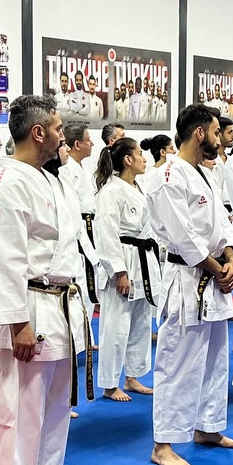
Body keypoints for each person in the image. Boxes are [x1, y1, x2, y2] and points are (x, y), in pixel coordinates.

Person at [0, 94, 91, 465]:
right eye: (59, 127)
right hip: (29, 305)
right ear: (38, 132)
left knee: (53, 405)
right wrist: (18, 323)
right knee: (21, 407)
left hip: (61, 303)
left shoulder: (52, 178)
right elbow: (5, 256)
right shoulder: (8, 180)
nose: (63, 135)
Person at [147, 104, 233, 465]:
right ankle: (163, 444)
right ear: (200, 133)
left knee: (216, 359)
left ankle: (208, 427)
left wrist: (231, 260)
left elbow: (225, 225)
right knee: (177, 362)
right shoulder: (170, 175)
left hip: (214, 279)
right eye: (217, 133)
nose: (220, 140)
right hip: (187, 279)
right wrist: (219, 269)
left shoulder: (206, 174)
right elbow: (183, 236)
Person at [92, 138, 158, 402]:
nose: (145, 158)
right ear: (128, 160)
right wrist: (119, 271)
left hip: (142, 259)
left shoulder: (138, 187)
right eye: (140, 154)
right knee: (116, 326)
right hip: (123, 260)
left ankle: (132, 376)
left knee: (141, 322)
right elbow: (106, 233)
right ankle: (110, 384)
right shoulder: (111, 191)